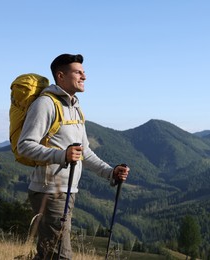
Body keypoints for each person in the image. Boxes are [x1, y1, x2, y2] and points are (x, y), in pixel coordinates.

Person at [17, 53, 130, 259]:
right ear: (60, 76)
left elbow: (84, 152)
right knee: (61, 255)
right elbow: (24, 146)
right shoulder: (45, 104)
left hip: (67, 191)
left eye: (84, 72)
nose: (84, 77)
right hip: (49, 193)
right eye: (78, 72)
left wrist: (110, 172)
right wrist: (62, 155)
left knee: (48, 254)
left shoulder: (75, 107)